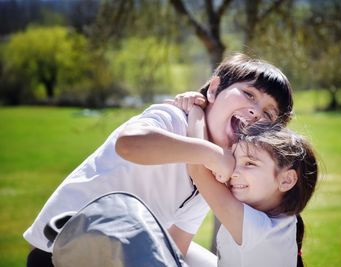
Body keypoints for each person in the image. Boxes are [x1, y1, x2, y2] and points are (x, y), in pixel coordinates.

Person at [23, 53, 294, 266]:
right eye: (249, 94)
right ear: (213, 90)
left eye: (269, 114)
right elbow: (129, 144)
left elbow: (177, 246)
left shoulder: (214, 178)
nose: (255, 111)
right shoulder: (173, 118)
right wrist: (210, 153)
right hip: (61, 251)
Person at [175, 104, 318, 267]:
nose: (234, 171)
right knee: (169, 246)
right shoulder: (282, 220)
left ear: (286, 180)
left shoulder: (259, 230)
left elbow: (198, 169)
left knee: (161, 246)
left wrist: (197, 110)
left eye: (250, 163)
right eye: (235, 160)